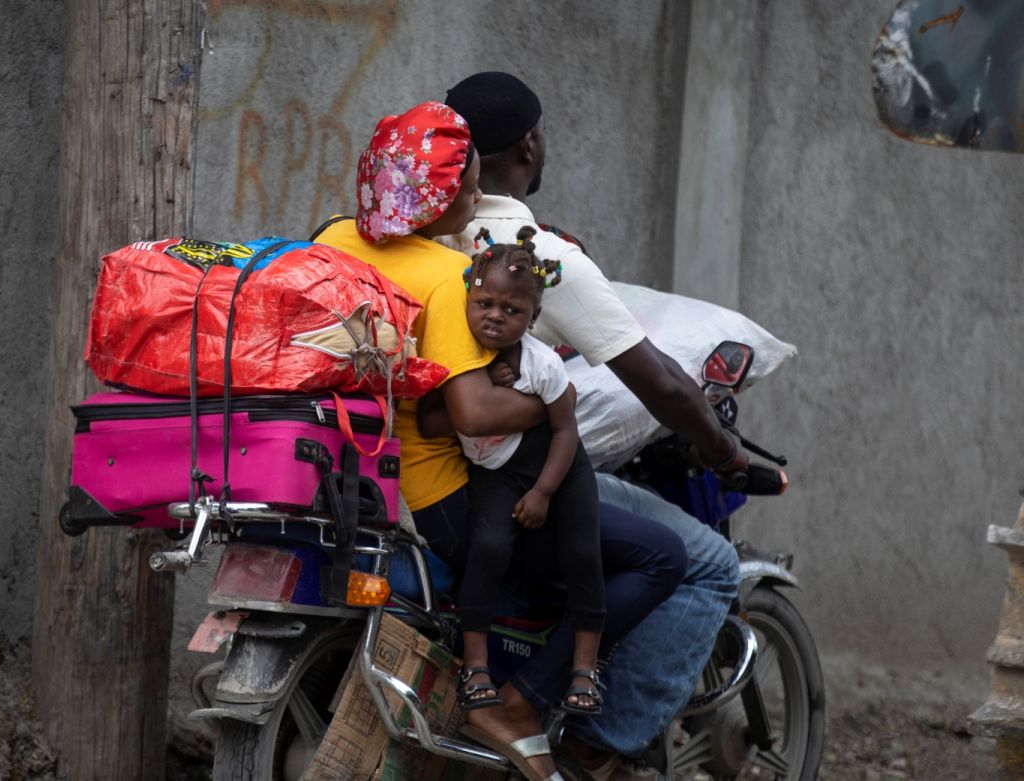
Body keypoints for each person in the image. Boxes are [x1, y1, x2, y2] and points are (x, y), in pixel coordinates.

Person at [315, 100, 687, 781]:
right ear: (442, 196)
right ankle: (518, 704)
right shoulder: (445, 277)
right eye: (469, 185)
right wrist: (556, 405)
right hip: (445, 499)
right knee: (664, 555)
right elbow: (475, 414)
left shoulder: (332, 237)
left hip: (358, 470)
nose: (479, 197)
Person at [444, 71, 746, 776]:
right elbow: (665, 384)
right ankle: (590, 744)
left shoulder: (414, 229)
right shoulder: (535, 253)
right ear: (529, 143)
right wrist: (725, 451)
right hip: (503, 471)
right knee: (705, 564)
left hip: (420, 464)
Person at [418, 226, 604, 717]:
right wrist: (484, 396)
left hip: (557, 466)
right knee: (490, 548)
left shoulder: (543, 366)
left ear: (534, 317)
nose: (495, 317)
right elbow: (432, 420)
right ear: (467, 300)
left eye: (512, 310)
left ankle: (584, 668)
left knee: (583, 552)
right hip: (496, 472)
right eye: (485, 305)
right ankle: (475, 667)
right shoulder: (461, 361)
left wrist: (544, 492)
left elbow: (566, 431)